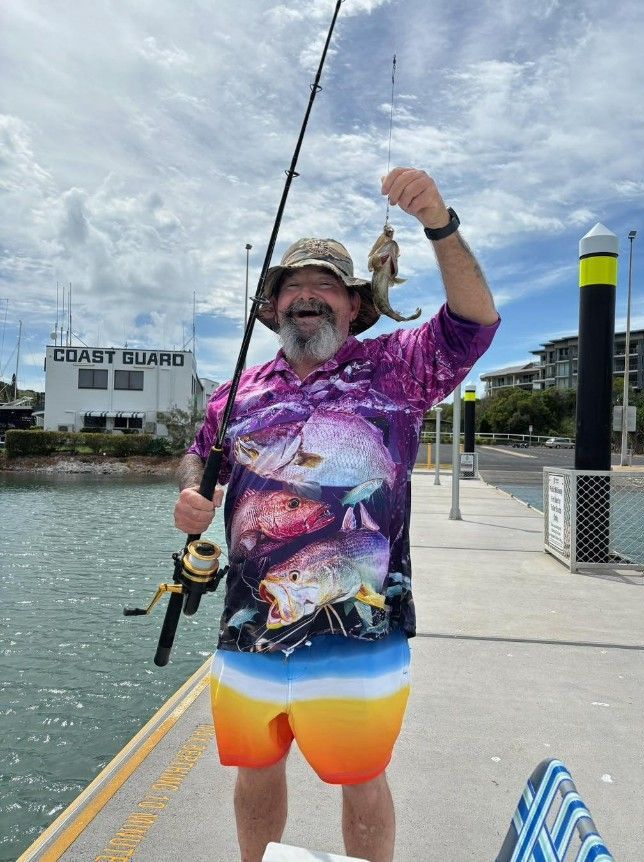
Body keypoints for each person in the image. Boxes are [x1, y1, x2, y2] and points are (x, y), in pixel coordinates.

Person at [174, 167, 500, 862]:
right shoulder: (237, 393)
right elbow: (201, 455)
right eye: (294, 287)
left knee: (363, 779)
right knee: (253, 772)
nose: (308, 298)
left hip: (363, 622)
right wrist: (193, 493)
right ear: (274, 308)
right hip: (250, 623)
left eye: (326, 287)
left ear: (354, 305)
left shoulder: (397, 369)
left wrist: (439, 222)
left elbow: (474, 322)